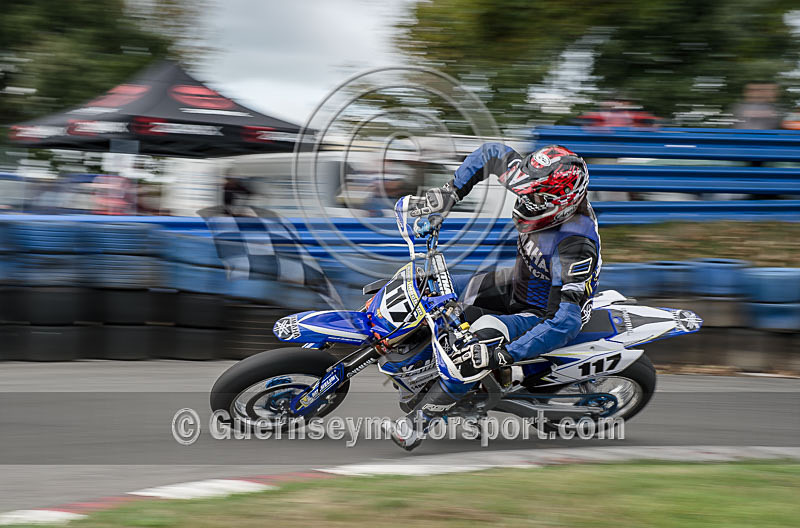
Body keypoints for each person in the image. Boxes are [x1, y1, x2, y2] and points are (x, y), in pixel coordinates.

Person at [389, 143, 600, 450]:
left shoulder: (576, 243)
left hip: (542, 313)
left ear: (562, 201)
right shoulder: (537, 183)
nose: (525, 200)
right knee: (426, 287)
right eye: (524, 192)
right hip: (519, 282)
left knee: (472, 350)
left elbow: (564, 320)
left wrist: (503, 354)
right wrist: (451, 193)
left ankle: (420, 422)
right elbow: (490, 153)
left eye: (534, 197)